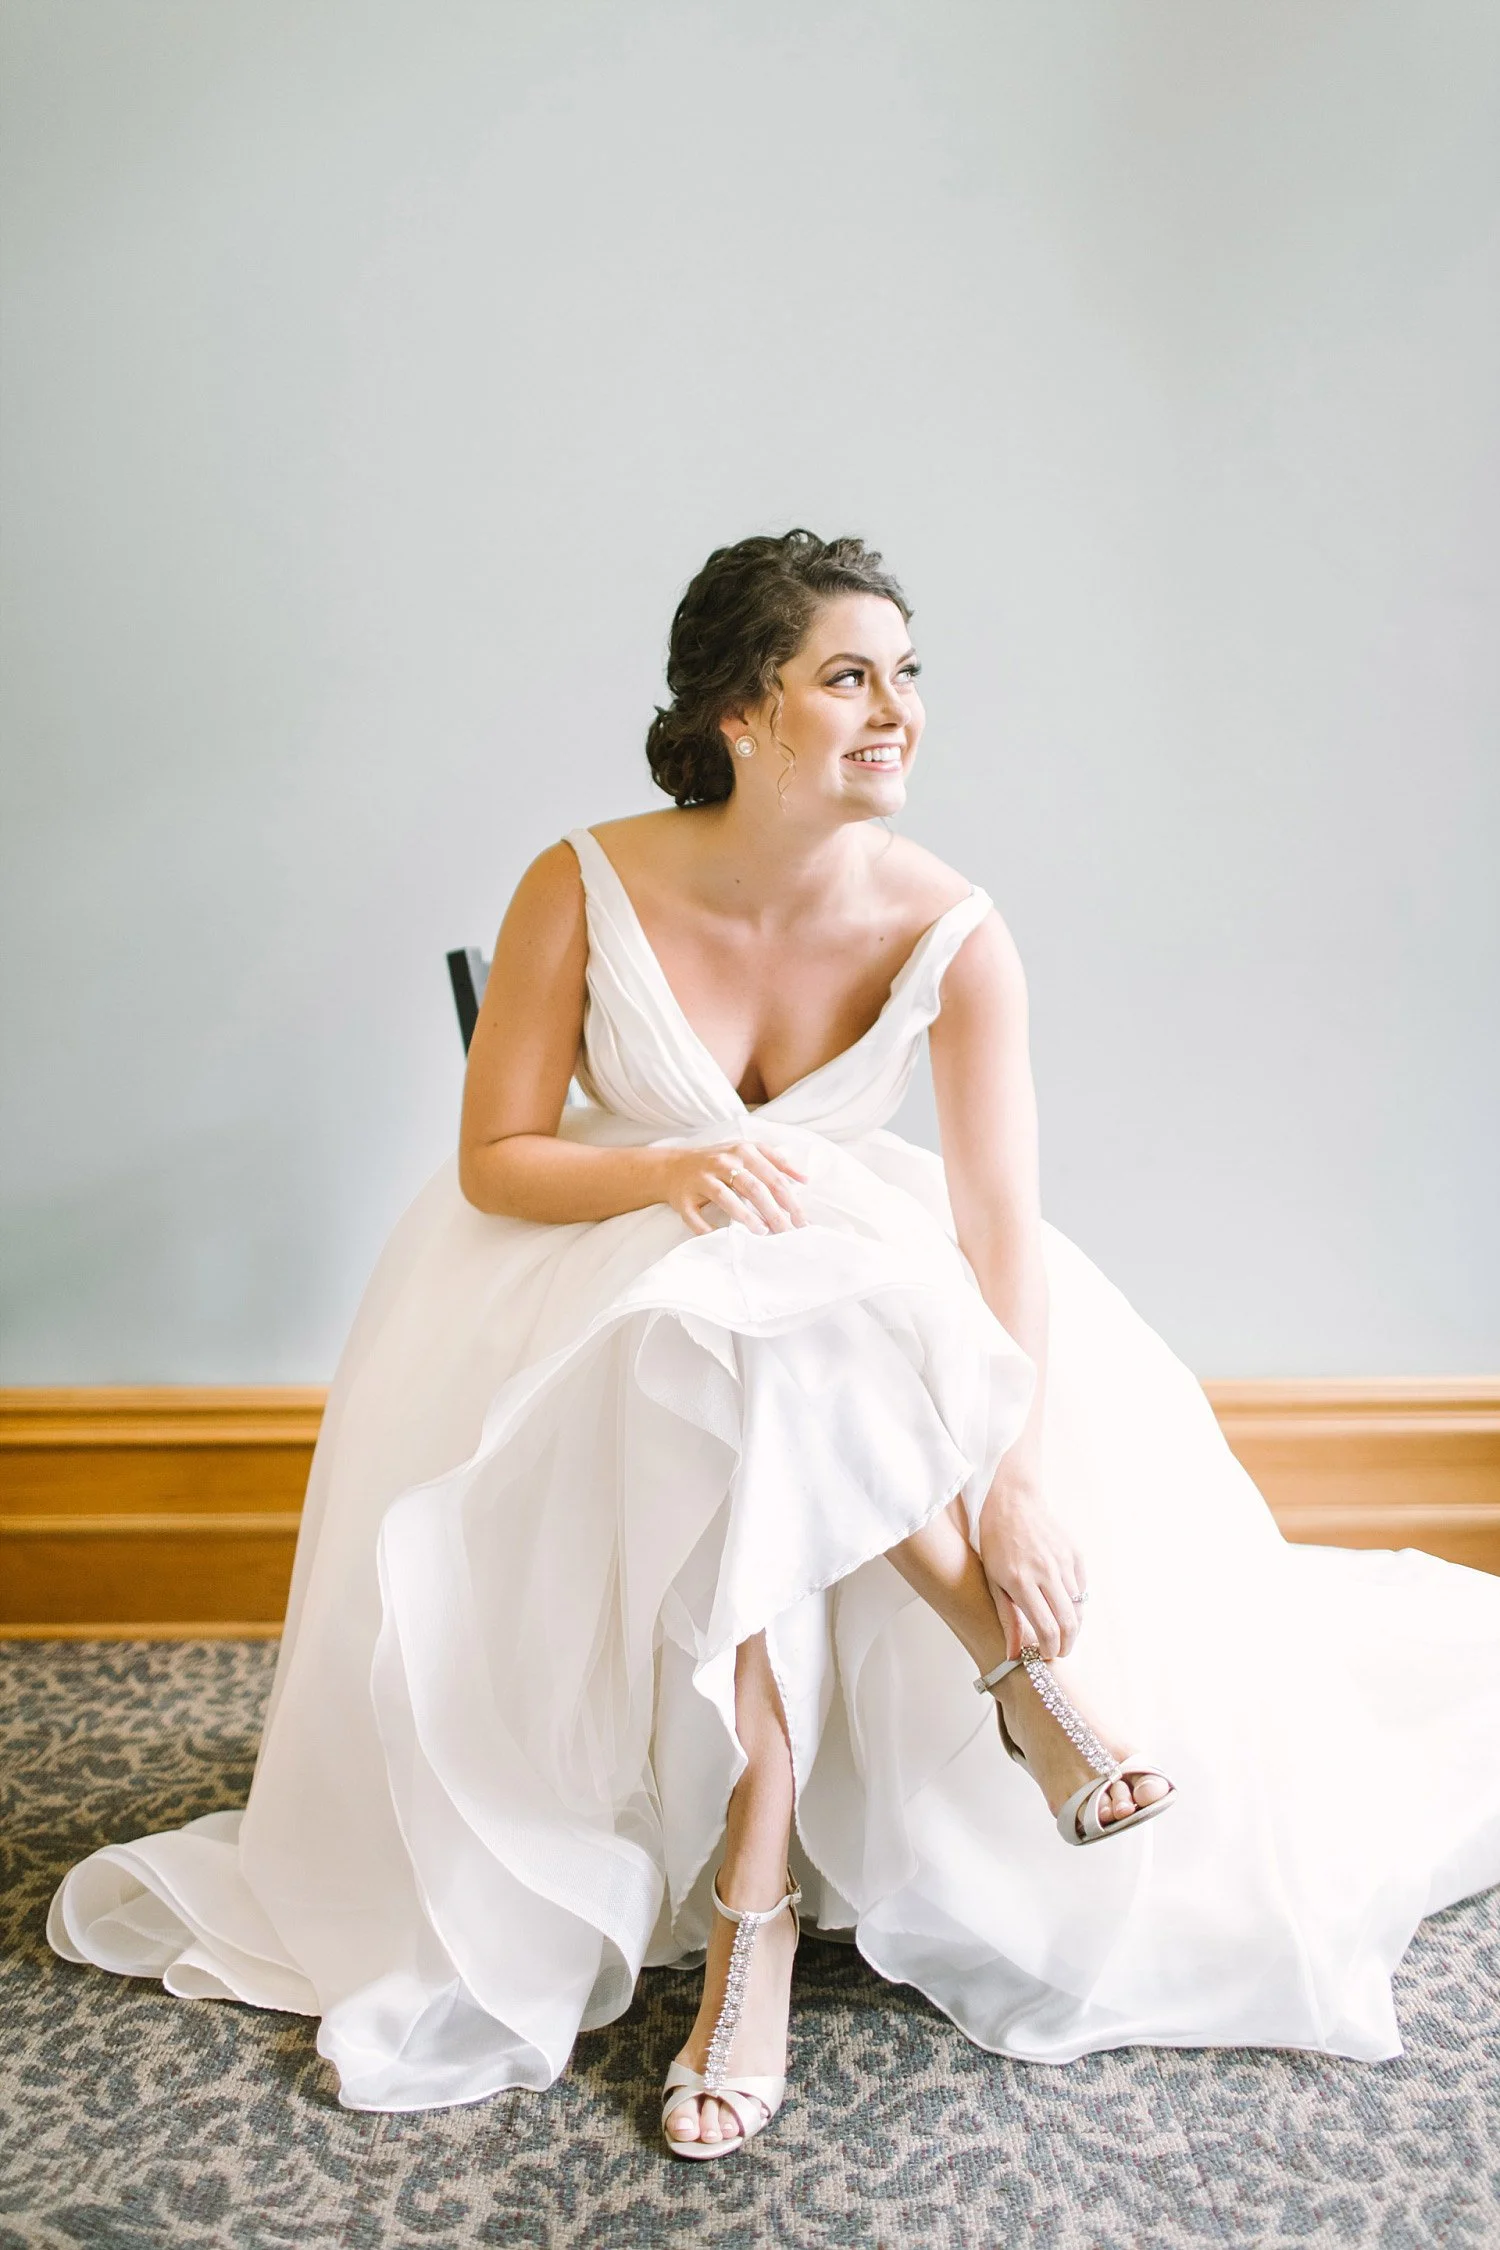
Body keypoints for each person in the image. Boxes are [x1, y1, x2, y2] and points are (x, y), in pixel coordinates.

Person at [49, 530, 1500, 2159]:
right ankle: (1006, 1690)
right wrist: (672, 1169)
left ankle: (761, 1889)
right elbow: (494, 1160)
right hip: (589, 1265)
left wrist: (1012, 1478)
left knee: (781, 1323)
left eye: (908, 672)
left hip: (835, 1304)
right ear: (744, 713)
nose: (900, 710)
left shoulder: (957, 928)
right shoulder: (579, 880)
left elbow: (1000, 1225)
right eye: (849, 676)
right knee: (732, 1305)